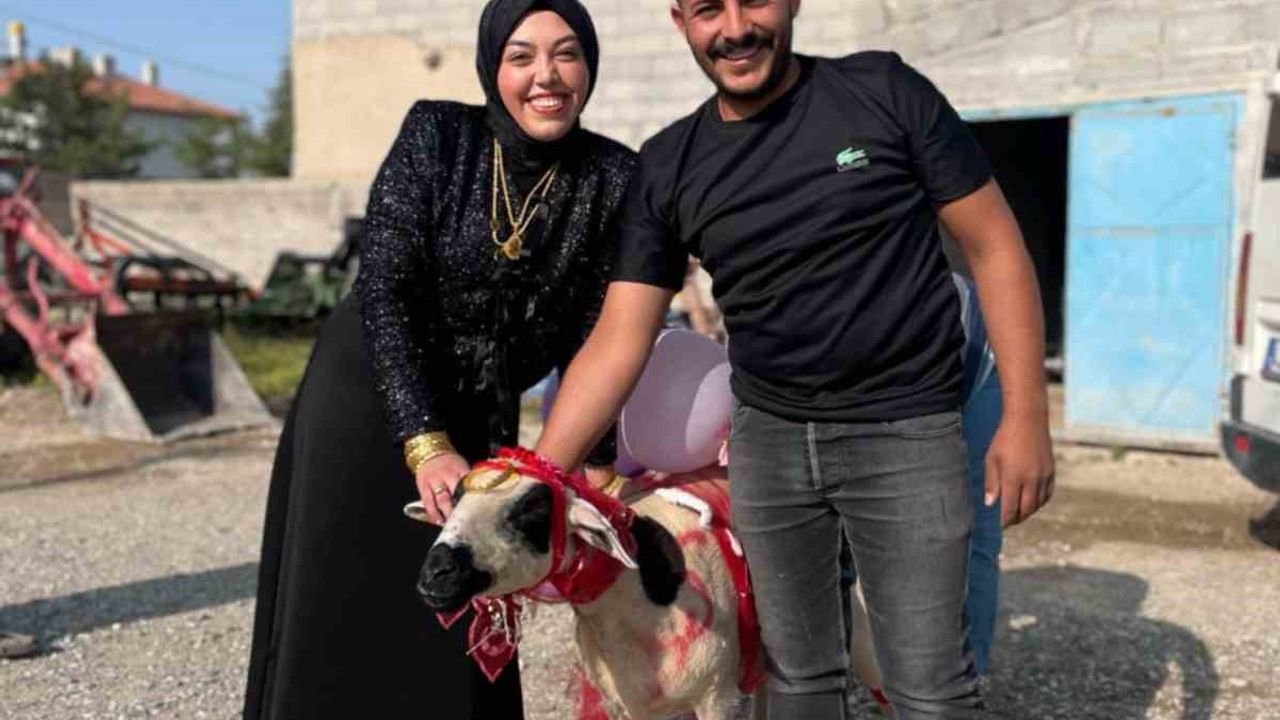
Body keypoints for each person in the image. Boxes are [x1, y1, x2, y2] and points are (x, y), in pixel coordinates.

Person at [531, 1, 1054, 719]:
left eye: (755, 0)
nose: (735, 27)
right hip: (770, 442)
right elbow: (623, 335)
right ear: (681, 21)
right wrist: (537, 478)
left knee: (929, 686)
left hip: (906, 427)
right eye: (708, 9)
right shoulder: (671, 162)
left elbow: (995, 246)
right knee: (798, 677)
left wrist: (1026, 415)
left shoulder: (882, 92)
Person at [241, 2, 634, 718]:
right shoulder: (438, 134)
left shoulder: (613, 175)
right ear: (492, 67)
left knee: (460, 609)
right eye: (521, 56)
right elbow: (383, 287)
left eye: (566, 53)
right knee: (343, 602)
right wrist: (423, 441)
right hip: (371, 390)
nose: (546, 76)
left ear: (589, 65)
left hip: (479, 412)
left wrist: (599, 467)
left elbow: (593, 334)